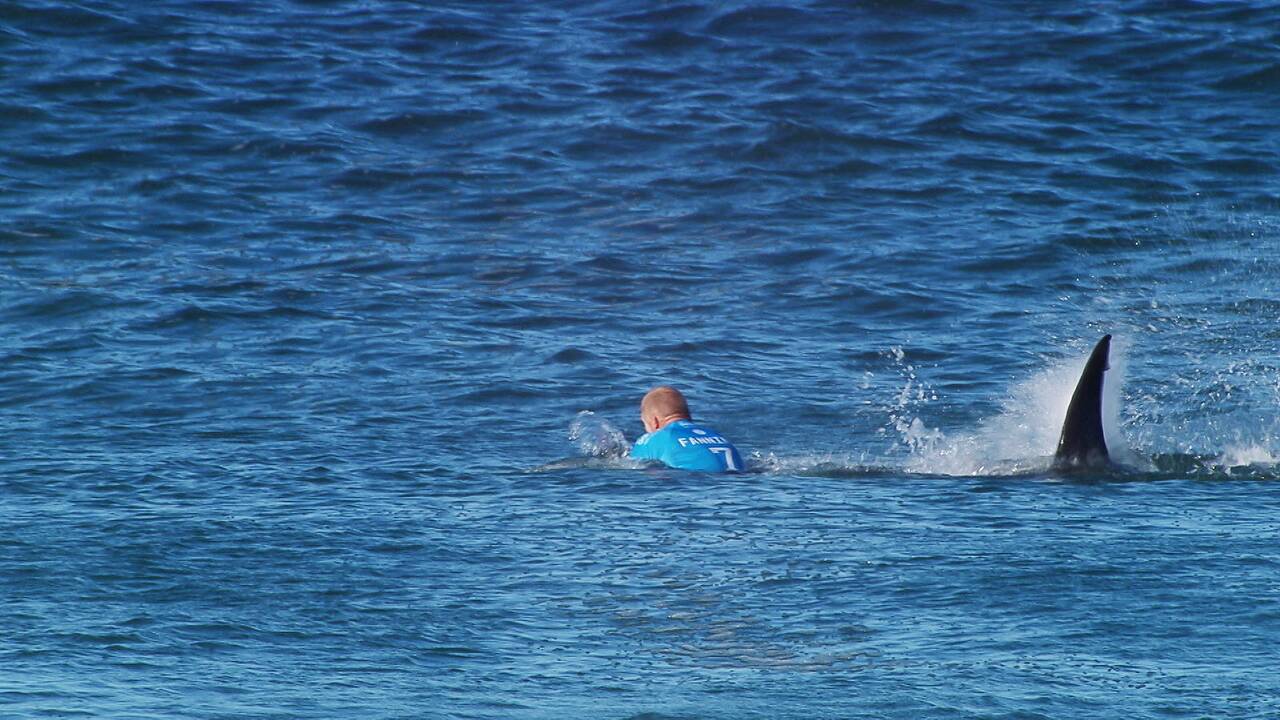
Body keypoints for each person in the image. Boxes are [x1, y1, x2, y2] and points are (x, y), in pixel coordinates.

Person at [629, 386, 745, 472]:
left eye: (644, 423)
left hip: (698, 482)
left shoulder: (655, 438)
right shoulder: (715, 435)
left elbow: (632, 465)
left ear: (655, 422)